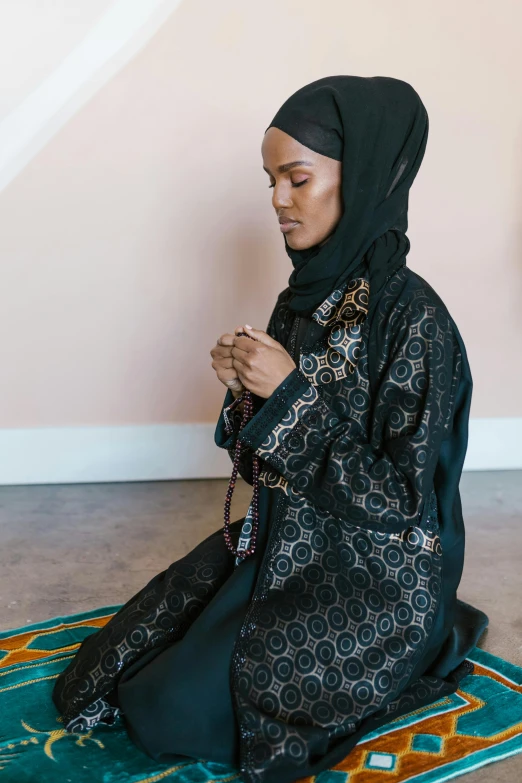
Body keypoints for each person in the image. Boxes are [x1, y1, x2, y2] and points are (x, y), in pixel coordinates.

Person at [52, 75, 488, 783]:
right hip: (282, 543)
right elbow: (264, 467)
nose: (279, 201)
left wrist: (287, 393)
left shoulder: (417, 324)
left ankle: (434, 633)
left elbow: (399, 503)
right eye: (271, 181)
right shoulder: (304, 299)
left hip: (377, 581)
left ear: (369, 173)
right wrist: (244, 395)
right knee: (115, 664)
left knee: (169, 712)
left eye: (298, 177)